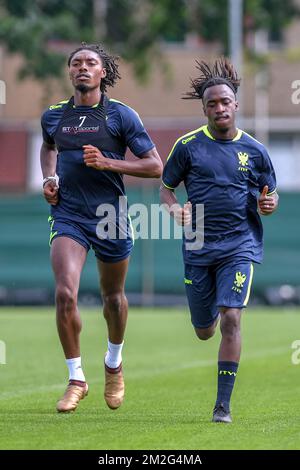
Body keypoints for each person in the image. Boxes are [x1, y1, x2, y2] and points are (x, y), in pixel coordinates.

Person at [40, 43, 162, 413]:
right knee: (64, 294)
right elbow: (48, 147)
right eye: (76, 62)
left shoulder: (121, 116)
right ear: (70, 72)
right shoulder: (54, 116)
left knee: (113, 299)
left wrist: (109, 164)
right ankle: (77, 378)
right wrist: (49, 177)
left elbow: (155, 166)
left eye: (91, 62)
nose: (82, 67)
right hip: (69, 215)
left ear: (103, 73)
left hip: (111, 217)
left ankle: (114, 364)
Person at [160, 58, 278, 423]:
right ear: (205, 108)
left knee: (232, 319)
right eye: (212, 103)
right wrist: (174, 210)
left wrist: (269, 203)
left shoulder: (256, 151)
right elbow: (166, 190)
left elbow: (269, 194)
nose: (220, 108)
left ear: (235, 104)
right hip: (198, 246)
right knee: (203, 330)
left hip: (240, 246)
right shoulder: (187, 146)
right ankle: (205, 313)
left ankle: (222, 406)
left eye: (225, 101)